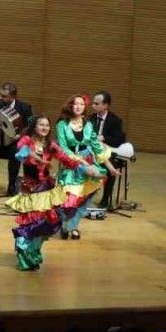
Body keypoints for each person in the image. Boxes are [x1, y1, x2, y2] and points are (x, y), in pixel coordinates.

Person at [5, 116, 82, 271]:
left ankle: (33, 252)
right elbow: (21, 151)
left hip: (46, 189)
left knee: (48, 222)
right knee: (30, 223)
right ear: (34, 126)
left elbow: (66, 158)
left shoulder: (50, 145)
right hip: (31, 189)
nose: (44, 127)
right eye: (41, 124)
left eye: (47, 125)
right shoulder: (27, 140)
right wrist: (38, 159)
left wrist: (83, 165)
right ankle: (25, 254)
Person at [54, 94, 119, 240]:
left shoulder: (88, 124)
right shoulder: (62, 124)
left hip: (88, 160)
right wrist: (79, 161)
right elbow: (64, 147)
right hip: (71, 163)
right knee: (70, 198)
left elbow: (97, 147)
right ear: (70, 106)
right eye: (76, 104)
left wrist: (110, 168)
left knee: (84, 196)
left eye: (82, 104)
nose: (78, 106)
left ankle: (74, 226)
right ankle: (65, 223)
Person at [90, 91, 126, 212]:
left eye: (96, 104)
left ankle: (105, 199)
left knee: (111, 165)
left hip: (108, 152)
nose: (93, 106)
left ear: (105, 105)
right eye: (93, 103)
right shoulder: (90, 119)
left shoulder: (115, 120)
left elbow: (119, 140)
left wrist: (104, 138)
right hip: (92, 152)